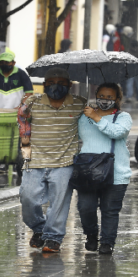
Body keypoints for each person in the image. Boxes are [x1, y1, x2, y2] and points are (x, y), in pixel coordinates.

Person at [19, 67, 87, 253]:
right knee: (28, 198)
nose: (55, 87)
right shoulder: (33, 103)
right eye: (50, 83)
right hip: (35, 161)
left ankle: (53, 237)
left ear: (70, 86)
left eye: (61, 84)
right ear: (44, 85)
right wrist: (25, 156)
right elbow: (22, 124)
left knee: (60, 202)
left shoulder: (80, 104)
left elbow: (95, 122)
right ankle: (39, 228)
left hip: (65, 162)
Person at [77, 83, 132, 255]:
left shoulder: (123, 117)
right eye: (101, 96)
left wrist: (97, 118)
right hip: (88, 172)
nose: (104, 100)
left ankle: (107, 242)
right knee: (85, 207)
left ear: (117, 99)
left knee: (110, 210)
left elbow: (117, 132)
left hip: (115, 172)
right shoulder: (84, 116)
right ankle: (91, 235)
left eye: (109, 97)